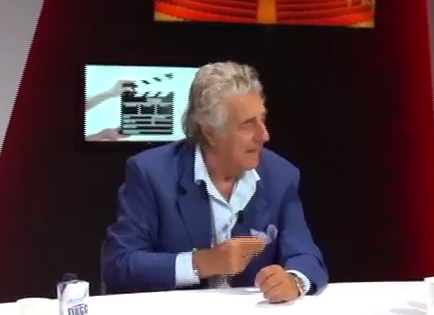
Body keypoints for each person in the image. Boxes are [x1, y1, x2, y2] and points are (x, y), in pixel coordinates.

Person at [101, 61, 328, 302]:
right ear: (210, 132)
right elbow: (119, 266)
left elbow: (307, 256)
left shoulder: (281, 176)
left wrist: (293, 280)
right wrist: (203, 262)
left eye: (262, 119)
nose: (264, 135)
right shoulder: (152, 173)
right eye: (247, 124)